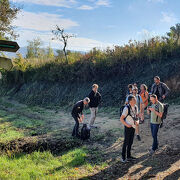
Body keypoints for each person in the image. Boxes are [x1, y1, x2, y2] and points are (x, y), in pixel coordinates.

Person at [120, 95, 140, 163]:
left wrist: (137, 121)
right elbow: (121, 119)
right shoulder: (126, 108)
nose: (135, 100)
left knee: (130, 142)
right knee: (126, 142)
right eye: (134, 99)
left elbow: (137, 117)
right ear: (130, 101)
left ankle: (129, 156)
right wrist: (127, 125)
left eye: (135, 99)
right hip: (128, 127)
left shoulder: (136, 107)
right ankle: (123, 157)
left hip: (133, 126)